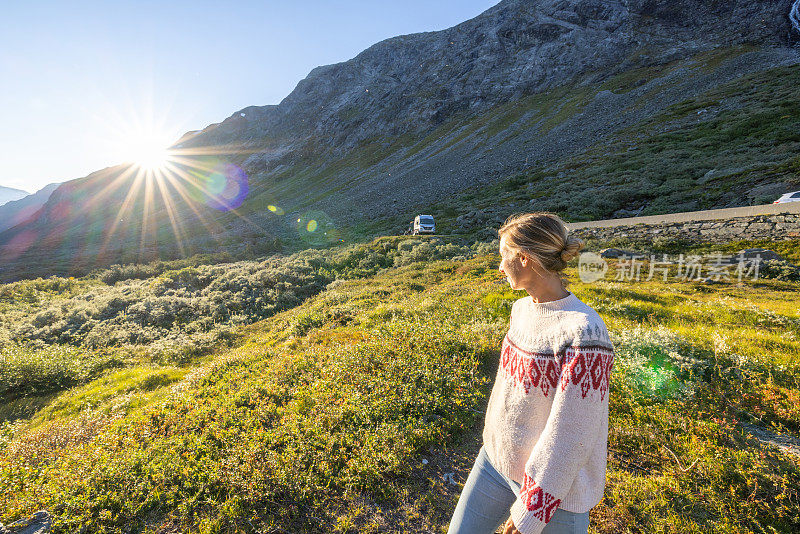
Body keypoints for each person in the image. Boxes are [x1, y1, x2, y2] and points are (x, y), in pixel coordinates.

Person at [448, 212, 615, 534]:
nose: (499, 267)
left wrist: (532, 509)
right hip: (495, 462)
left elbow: (573, 433)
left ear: (524, 258)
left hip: (553, 493)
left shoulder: (584, 331)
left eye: (503, 257)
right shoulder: (522, 309)